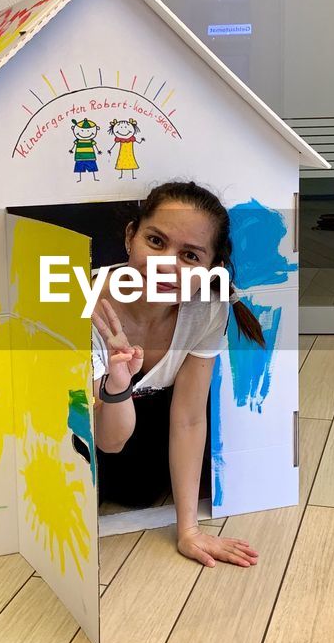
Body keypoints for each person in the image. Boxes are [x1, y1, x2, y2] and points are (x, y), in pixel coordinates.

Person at [91, 180, 263, 569]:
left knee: (162, 481)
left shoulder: (206, 306)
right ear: (130, 236)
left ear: (210, 270)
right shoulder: (87, 304)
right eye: (155, 241)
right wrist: (117, 383)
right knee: (121, 483)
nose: (166, 264)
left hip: (155, 419)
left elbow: (188, 418)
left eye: (189, 255)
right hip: (97, 428)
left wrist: (189, 530)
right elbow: (108, 441)